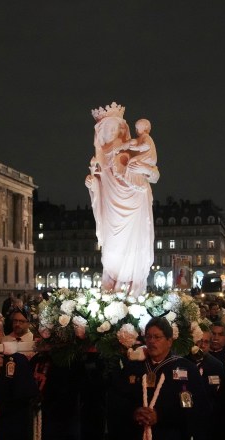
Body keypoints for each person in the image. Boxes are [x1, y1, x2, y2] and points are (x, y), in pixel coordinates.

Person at [85, 103, 159, 296]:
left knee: (135, 243)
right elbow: (98, 184)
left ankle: (133, 286)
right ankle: (113, 281)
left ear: (122, 128)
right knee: (111, 247)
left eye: (115, 128)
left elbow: (155, 175)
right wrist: (92, 184)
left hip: (135, 202)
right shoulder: (99, 158)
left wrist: (142, 169)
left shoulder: (133, 147)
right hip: (111, 205)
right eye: (107, 129)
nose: (112, 132)